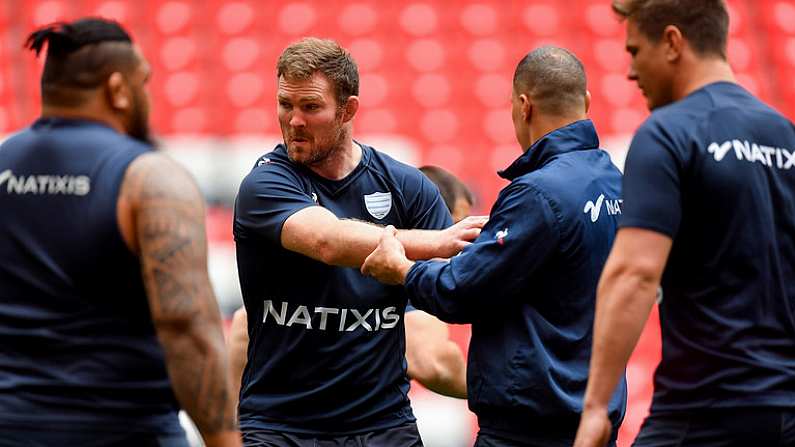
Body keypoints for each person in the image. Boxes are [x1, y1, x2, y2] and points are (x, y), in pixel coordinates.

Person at [361, 46, 627, 447]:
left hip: (530, 428)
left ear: (524, 106)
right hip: (594, 416)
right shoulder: (616, 182)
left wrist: (402, 270)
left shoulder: (537, 193)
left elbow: (462, 292)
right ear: (586, 103)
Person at [232, 37, 485, 445]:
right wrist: (436, 243)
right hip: (282, 428)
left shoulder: (407, 188)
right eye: (285, 105)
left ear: (348, 109)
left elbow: (453, 293)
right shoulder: (265, 183)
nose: (294, 120)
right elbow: (328, 241)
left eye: (310, 107)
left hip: (383, 425)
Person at [0, 19, 240, 447]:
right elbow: (187, 327)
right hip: (124, 431)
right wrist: (223, 439)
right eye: (143, 83)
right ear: (118, 89)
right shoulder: (150, 178)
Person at [573, 1, 795, 446]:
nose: (631, 72)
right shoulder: (786, 135)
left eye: (635, 51)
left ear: (673, 42)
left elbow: (634, 273)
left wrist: (596, 409)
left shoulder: (668, 133)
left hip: (705, 411)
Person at [227, 165, 472, 403]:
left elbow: (242, 324)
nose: (456, 245)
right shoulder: (393, 271)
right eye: (455, 224)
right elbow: (432, 363)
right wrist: (501, 387)